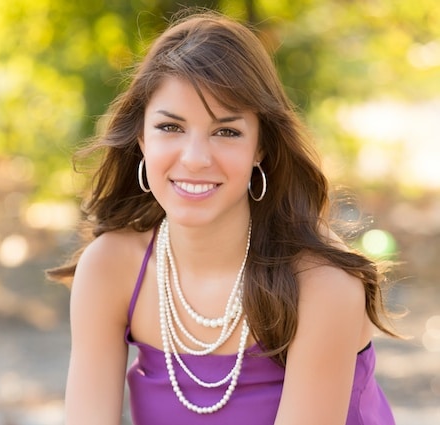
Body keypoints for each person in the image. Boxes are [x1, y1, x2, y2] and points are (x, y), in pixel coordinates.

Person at [47, 10, 397, 425]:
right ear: (141, 138)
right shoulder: (110, 268)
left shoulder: (322, 284)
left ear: (260, 149)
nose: (195, 159)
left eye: (226, 132)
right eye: (171, 128)